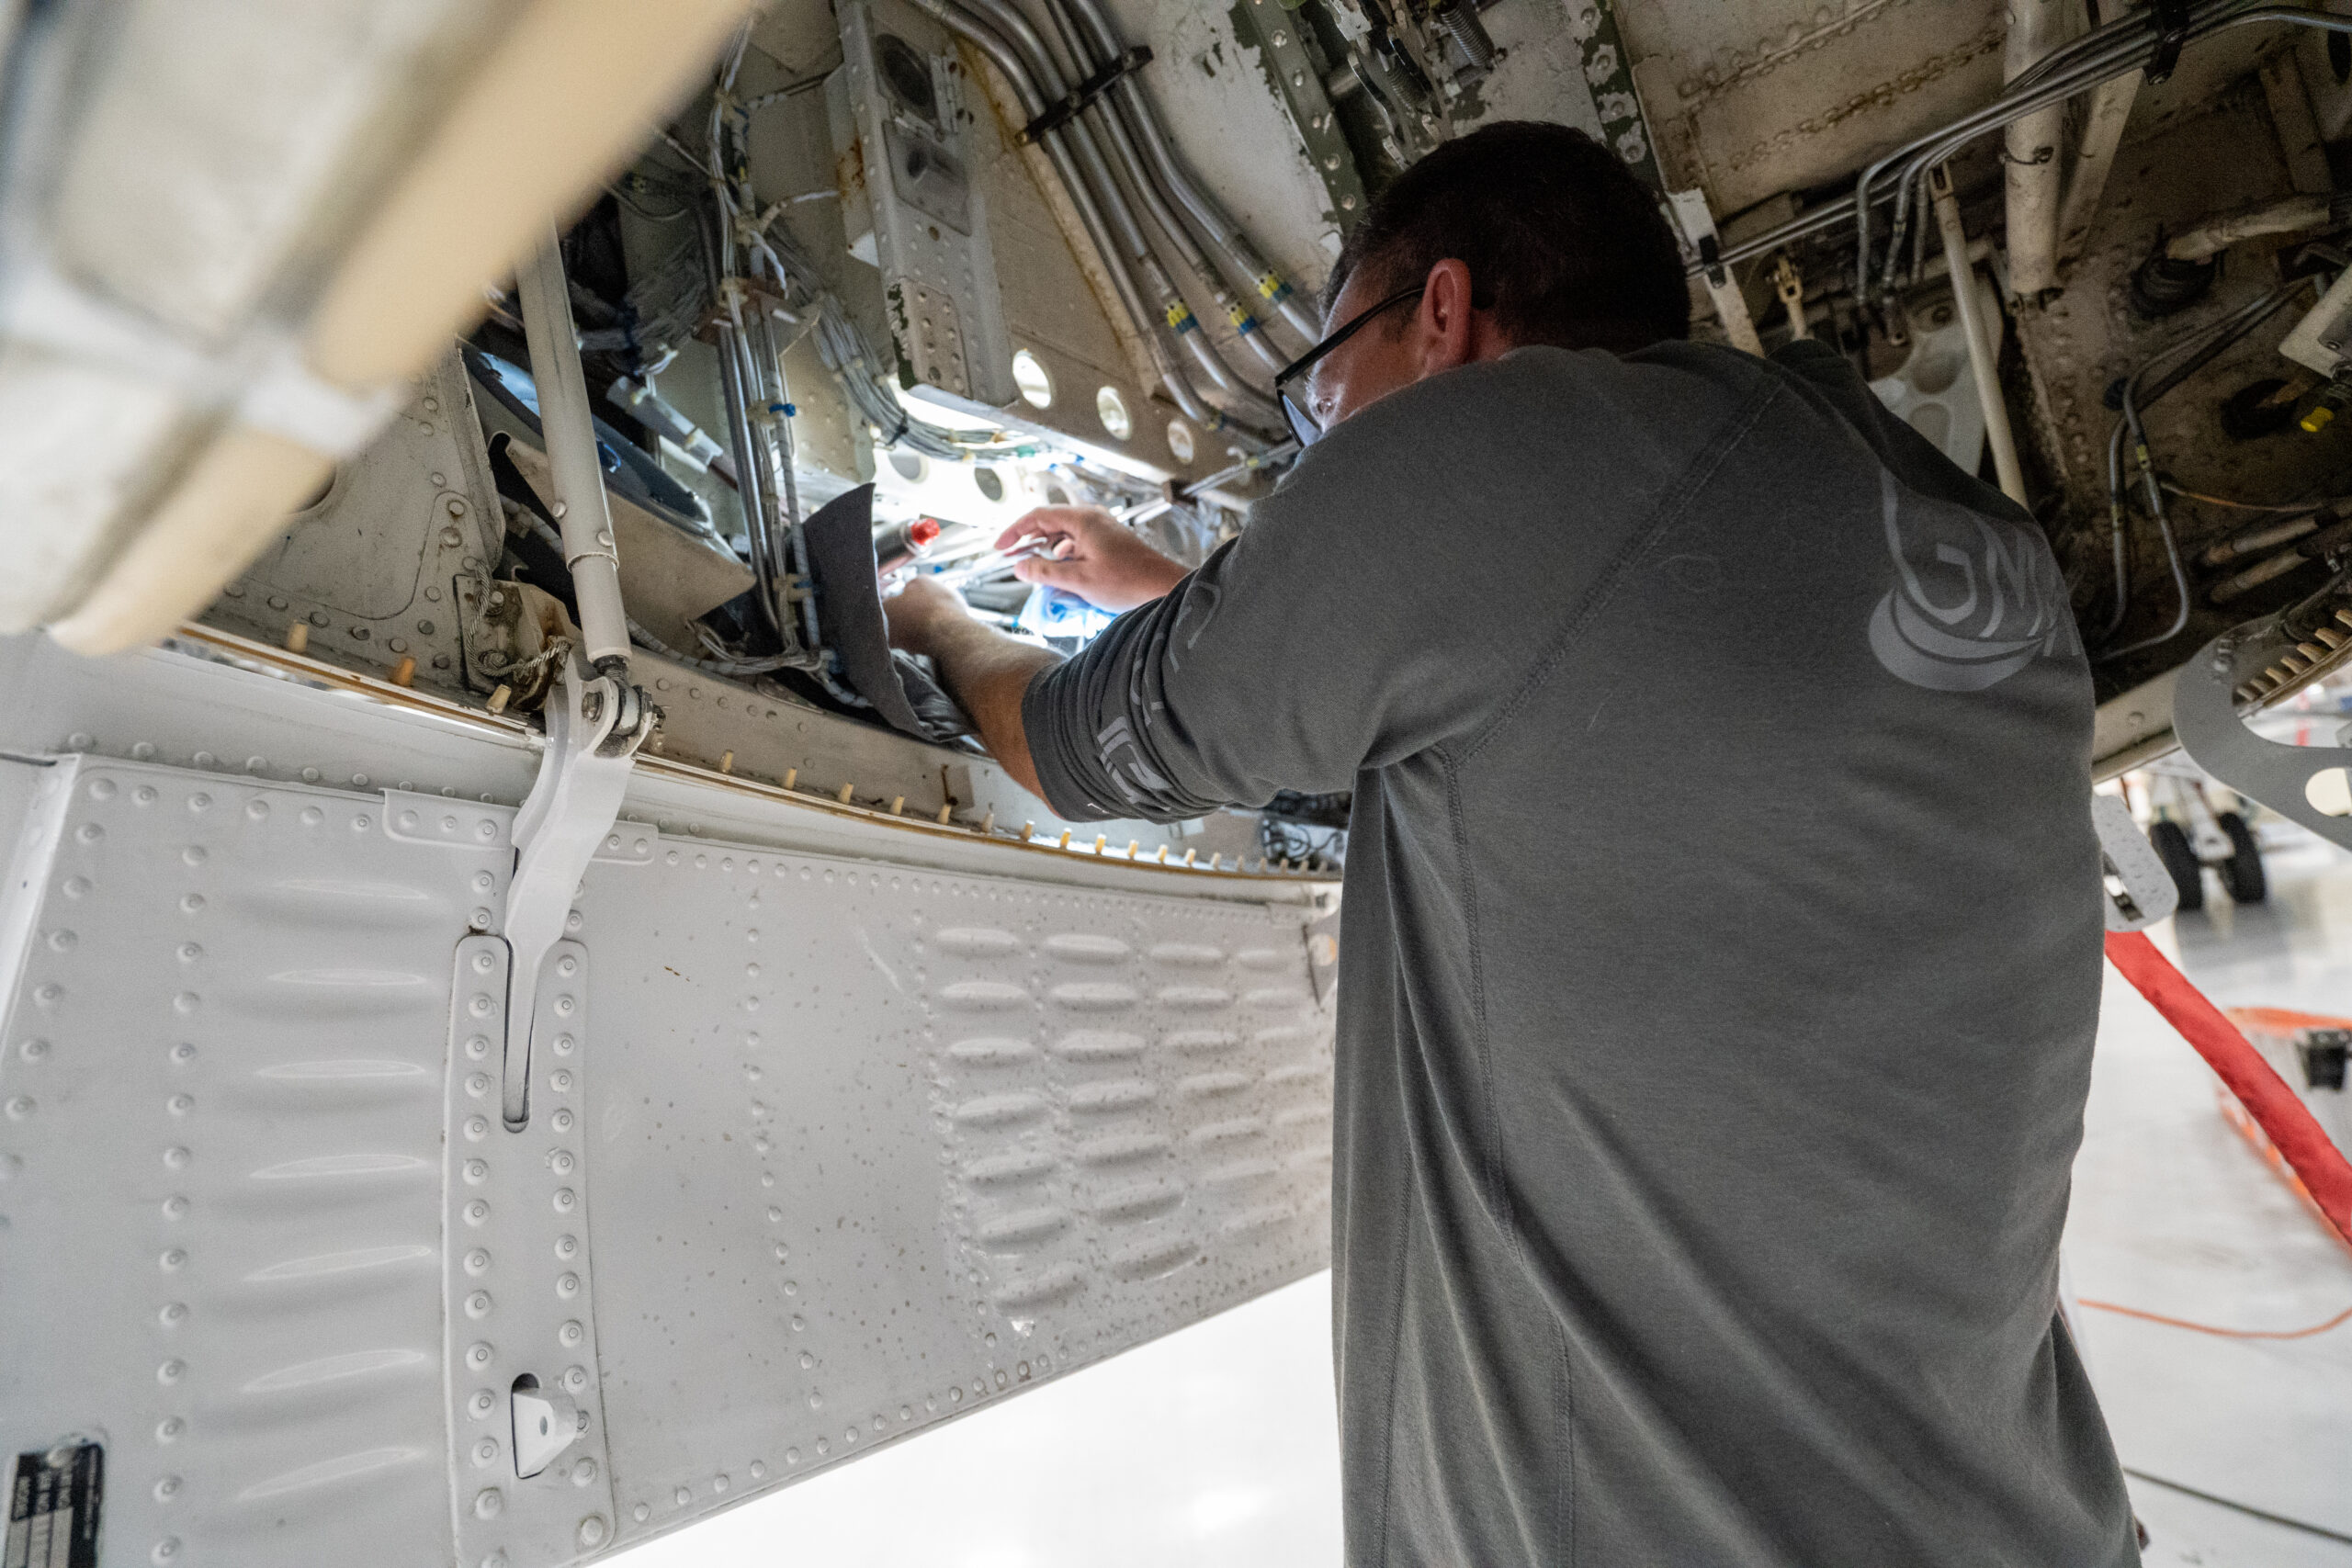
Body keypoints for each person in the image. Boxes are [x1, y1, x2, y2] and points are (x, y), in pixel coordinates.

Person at [884, 120, 2132, 1567]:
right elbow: (1516, 730)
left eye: (1312, 387)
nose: (1315, 430)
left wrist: (927, 611)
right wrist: (1164, 586)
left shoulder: (1473, 452)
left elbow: (1065, 741)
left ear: (1440, 314)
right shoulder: (1904, 506)